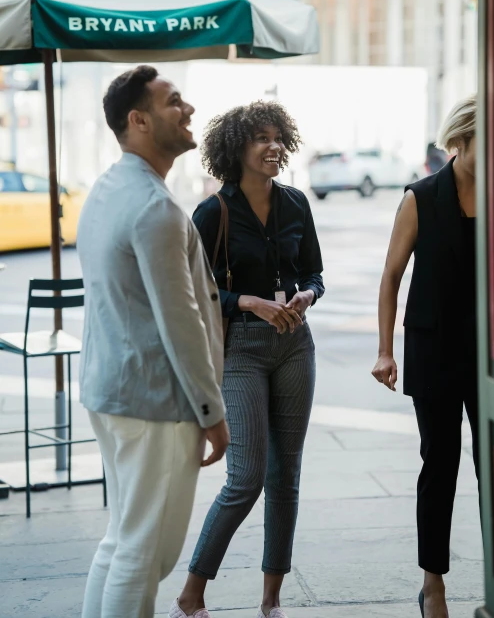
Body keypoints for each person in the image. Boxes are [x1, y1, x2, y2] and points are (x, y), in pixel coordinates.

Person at [78, 65, 230, 618]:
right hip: (156, 403)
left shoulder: (107, 188)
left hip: (113, 392)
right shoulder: (155, 207)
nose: (188, 110)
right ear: (138, 120)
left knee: (122, 541)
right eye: (174, 102)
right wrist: (211, 410)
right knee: (145, 555)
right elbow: (180, 318)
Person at [172, 101, 325, 618]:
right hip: (240, 351)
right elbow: (198, 287)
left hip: (294, 348)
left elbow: (314, 274)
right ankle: (191, 594)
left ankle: (271, 600)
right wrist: (250, 303)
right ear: (236, 149)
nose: (274, 146)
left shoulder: (296, 203)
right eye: (261, 138)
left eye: (278, 136)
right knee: (246, 478)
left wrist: (304, 297)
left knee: (287, 476)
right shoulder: (212, 212)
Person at [371, 97, 479, 618]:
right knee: (441, 465)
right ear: (461, 138)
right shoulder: (421, 197)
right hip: (435, 349)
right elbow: (391, 277)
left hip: (493, 354)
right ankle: (432, 583)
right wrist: (385, 351)